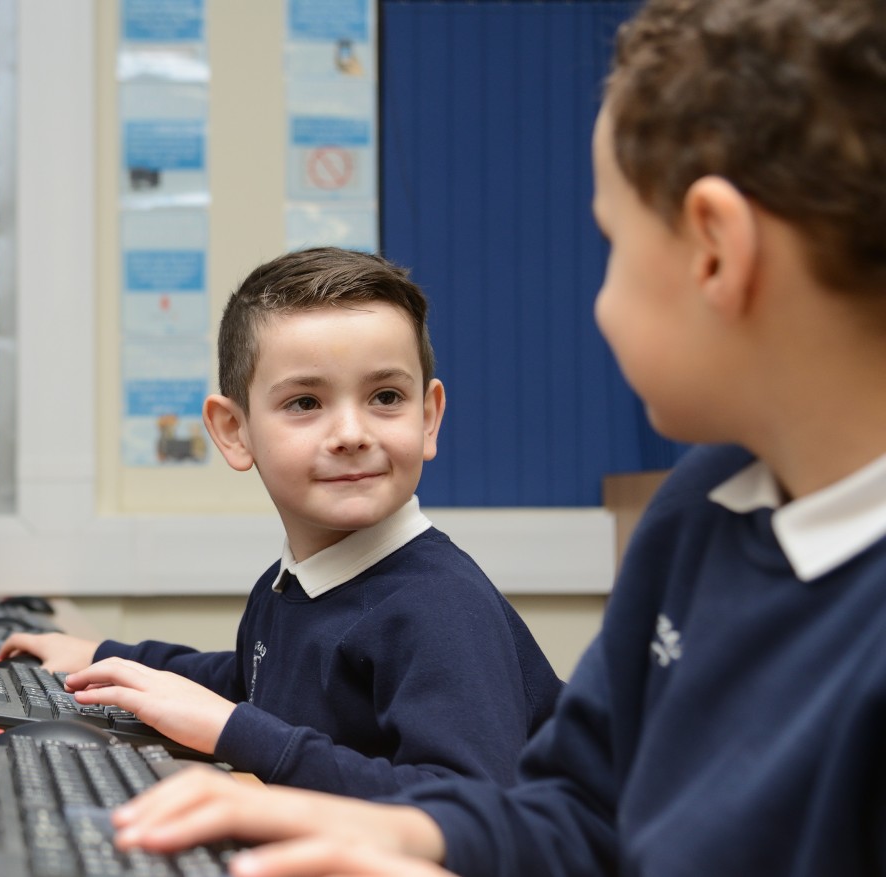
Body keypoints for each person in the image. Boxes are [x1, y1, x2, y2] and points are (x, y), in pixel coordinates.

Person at [106, 0, 886, 873]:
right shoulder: (704, 503)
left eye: (611, 240)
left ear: (715, 252)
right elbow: (579, 813)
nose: (601, 301)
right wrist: (402, 834)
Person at [0, 247, 562, 798]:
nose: (351, 434)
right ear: (234, 431)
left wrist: (236, 731)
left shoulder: (440, 608)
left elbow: (469, 811)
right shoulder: (294, 581)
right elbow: (254, 682)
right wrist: (106, 659)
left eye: (386, 396)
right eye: (305, 403)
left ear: (428, 418)